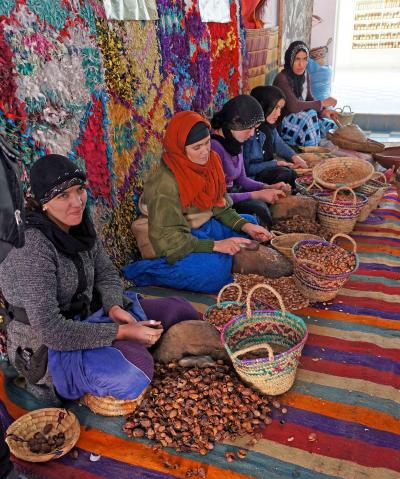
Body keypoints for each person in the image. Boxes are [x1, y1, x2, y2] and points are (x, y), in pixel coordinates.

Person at [0, 155, 199, 404]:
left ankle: (130, 346)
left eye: (79, 190)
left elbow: (105, 273)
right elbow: (52, 331)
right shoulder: (32, 246)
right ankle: (119, 357)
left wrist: (114, 307)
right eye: (63, 196)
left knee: (178, 309)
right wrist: (122, 332)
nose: (77, 202)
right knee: (133, 370)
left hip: (92, 314)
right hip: (50, 346)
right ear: (43, 203)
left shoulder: (79, 225)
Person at [122, 111, 271, 293]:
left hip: (198, 226)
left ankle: (223, 256)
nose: (204, 152)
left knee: (251, 222)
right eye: (196, 147)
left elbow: (220, 207)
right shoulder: (164, 184)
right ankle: (145, 271)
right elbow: (170, 241)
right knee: (213, 273)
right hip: (165, 240)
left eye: (207, 143)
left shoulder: (211, 163)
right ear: (180, 149)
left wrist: (245, 226)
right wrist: (216, 246)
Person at [210, 94, 288, 228]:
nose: (252, 134)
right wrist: (257, 195)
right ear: (233, 123)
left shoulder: (234, 142)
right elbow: (216, 200)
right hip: (219, 206)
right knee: (258, 209)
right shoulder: (213, 148)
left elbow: (242, 179)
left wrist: (268, 187)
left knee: (267, 201)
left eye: (255, 128)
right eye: (249, 128)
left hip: (233, 194)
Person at [273, 40, 339, 147]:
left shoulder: (305, 75)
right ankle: (314, 152)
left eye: (305, 59)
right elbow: (294, 106)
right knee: (310, 116)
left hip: (302, 119)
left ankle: (319, 143)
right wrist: (322, 103)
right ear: (290, 60)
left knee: (332, 126)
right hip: (283, 124)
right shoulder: (282, 79)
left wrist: (323, 111)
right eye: (297, 59)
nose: (301, 64)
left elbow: (309, 100)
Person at [243, 85, 308, 189]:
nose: (278, 113)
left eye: (280, 108)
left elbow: (279, 144)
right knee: (286, 174)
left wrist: (296, 157)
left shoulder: (269, 127)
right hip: (253, 179)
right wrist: (275, 163)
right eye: (276, 108)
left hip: (267, 170)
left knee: (292, 173)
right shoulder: (247, 133)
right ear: (263, 105)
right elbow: (247, 170)